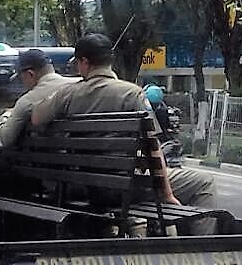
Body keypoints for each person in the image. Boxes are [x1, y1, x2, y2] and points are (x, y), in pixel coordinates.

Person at [32, 33, 217, 228]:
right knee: (204, 182)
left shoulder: (68, 93)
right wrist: (167, 194)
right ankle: (201, 248)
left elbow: (36, 117)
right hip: (127, 187)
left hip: (85, 187)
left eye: (77, 64)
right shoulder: (132, 93)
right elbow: (153, 148)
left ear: (84, 62)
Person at [0, 48, 71, 147]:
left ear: (30, 74)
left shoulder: (28, 100)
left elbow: (6, 138)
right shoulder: (78, 85)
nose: (23, 83)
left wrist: (5, 116)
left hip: (49, 159)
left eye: (21, 78)